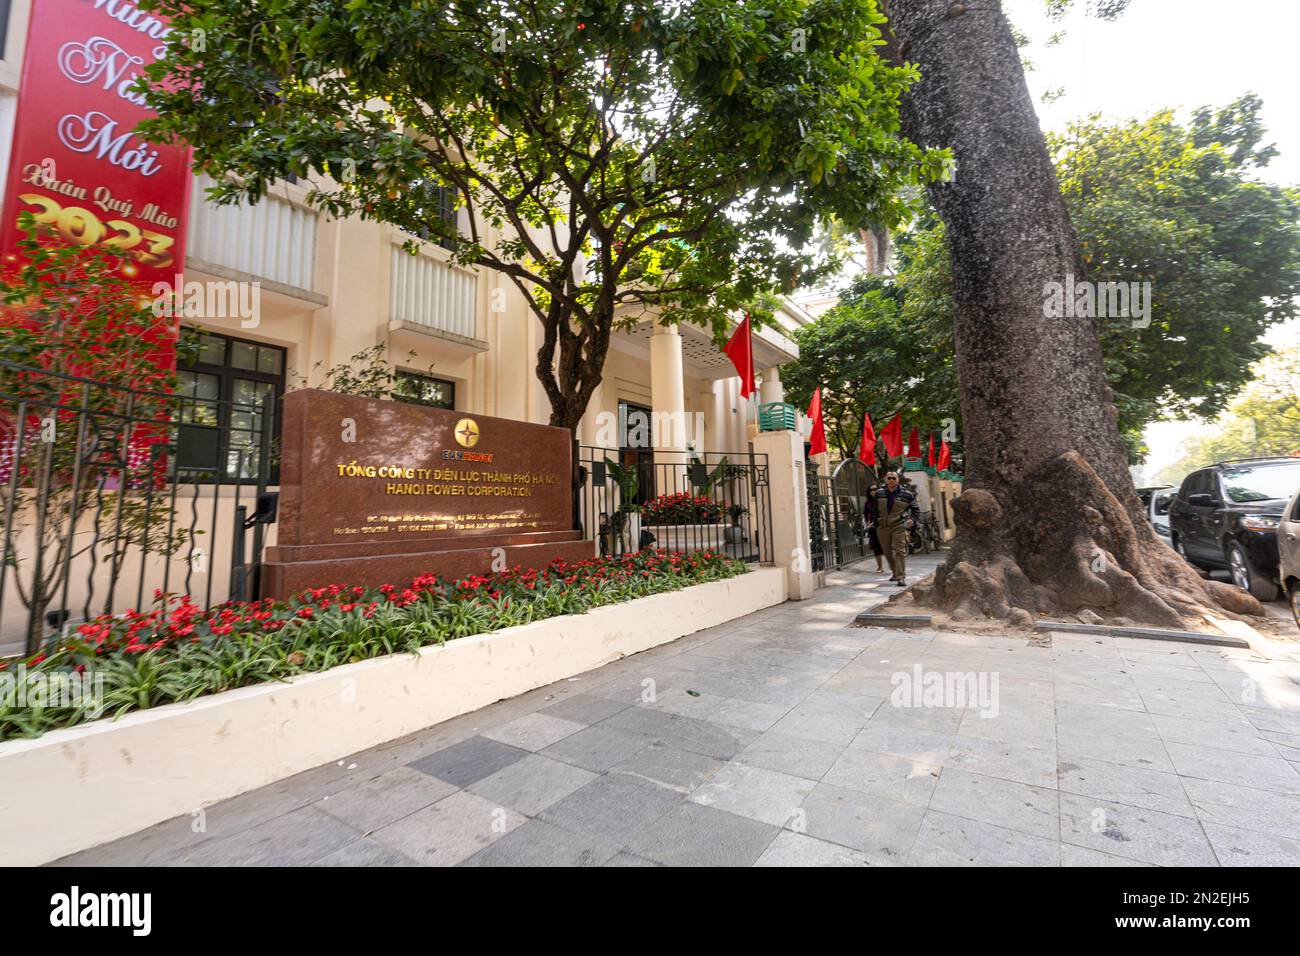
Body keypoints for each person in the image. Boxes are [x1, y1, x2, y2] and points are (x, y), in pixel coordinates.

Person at [873, 471, 918, 585]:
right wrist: (875, 522)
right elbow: (874, 509)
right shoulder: (879, 493)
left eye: (894, 478)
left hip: (898, 526)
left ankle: (901, 577)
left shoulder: (907, 494)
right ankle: (895, 572)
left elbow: (915, 509)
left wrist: (912, 519)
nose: (891, 480)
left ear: (898, 479)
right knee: (887, 552)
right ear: (886, 479)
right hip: (882, 527)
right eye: (889, 478)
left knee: (899, 551)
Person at [864, 484, 886, 573]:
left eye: (876, 489)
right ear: (869, 492)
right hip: (873, 528)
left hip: (883, 525)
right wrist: (868, 523)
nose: (874, 491)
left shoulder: (882, 501)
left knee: (887, 546)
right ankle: (880, 567)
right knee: (876, 547)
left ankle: (894, 565)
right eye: (871, 489)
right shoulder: (867, 503)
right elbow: (866, 514)